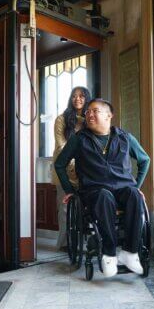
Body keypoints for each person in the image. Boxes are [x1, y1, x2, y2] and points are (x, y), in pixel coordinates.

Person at [54, 98, 150, 277]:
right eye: (88, 111)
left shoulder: (125, 138)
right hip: (94, 191)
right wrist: (69, 190)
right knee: (104, 196)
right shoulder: (79, 140)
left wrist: (136, 186)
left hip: (123, 189)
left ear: (109, 115)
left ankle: (130, 253)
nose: (89, 114)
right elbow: (60, 164)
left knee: (134, 195)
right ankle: (109, 254)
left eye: (95, 111)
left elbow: (145, 160)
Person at [51, 86, 92, 249]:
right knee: (65, 207)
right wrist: (74, 163)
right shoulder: (61, 119)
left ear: (87, 98)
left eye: (81, 96)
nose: (77, 99)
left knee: (83, 208)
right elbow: (61, 146)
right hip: (64, 170)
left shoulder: (91, 119)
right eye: (74, 96)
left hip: (84, 172)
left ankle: (81, 242)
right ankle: (64, 243)